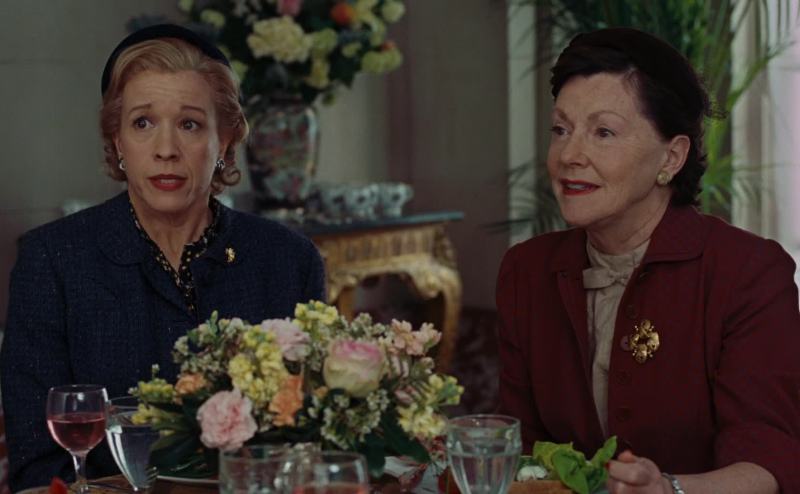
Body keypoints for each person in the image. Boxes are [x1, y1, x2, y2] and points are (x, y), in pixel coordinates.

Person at [1, 24, 325, 491]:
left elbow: (313, 448)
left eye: (189, 124)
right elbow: (38, 469)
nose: (166, 150)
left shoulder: (289, 260)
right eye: (142, 123)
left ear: (225, 140)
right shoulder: (51, 261)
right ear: (117, 140)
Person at [496, 27, 800, 493]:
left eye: (603, 132)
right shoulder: (526, 270)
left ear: (671, 157)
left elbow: (767, 461)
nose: (570, 155)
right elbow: (519, 448)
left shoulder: (749, 273)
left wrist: (669, 489)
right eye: (561, 130)